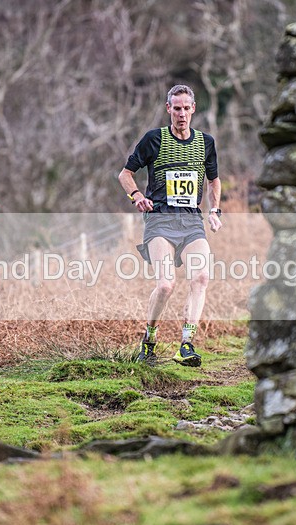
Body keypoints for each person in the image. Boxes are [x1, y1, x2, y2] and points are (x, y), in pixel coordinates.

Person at [117, 84, 222, 367]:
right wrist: (137, 196)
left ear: (194, 109)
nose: (182, 114)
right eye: (177, 108)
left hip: (191, 222)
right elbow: (125, 174)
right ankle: (149, 341)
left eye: (187, 108)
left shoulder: (205, 143)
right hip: (160, 220)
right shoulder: (154, 139)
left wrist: (214, 210)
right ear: (168, 109)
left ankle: (186, 345)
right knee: (166, 285)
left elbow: (214, 180)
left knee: (201, 277)